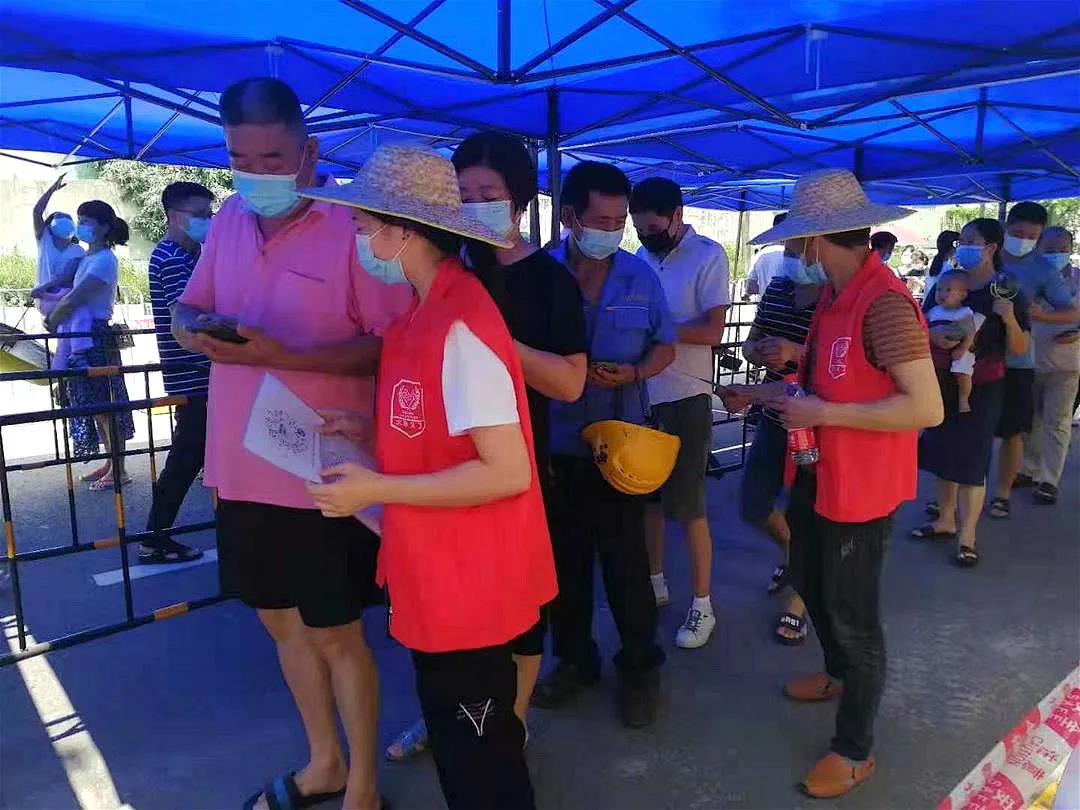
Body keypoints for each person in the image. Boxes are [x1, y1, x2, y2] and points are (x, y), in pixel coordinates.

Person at [171, 78, 409, 810]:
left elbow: (393, 348)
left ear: (310, 152)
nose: (256, 174)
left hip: (323, 472)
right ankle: (323, 761)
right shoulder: (229, 220)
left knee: (336, 632)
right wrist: (193, 330)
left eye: (272, 158)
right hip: (240, 465)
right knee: (278, 623)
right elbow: (191, 304)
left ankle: (363, 785)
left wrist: (284, 356)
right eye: (239, 159)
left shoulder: (357, 229)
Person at [300, 144, 557, 810]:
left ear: (402, 232)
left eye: (363, 226)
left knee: (482, 764)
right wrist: (365, 434)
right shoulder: (420, 314)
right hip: (436, 572)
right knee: (461, 746)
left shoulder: (460, 322)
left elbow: (506, 470)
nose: (357, 239)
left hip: (469, 582)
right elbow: (434, 430)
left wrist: (376, 489)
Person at [722, 168, 941, 798]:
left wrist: (826, 413)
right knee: (812, 586)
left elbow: (926, 408)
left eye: (795, 243)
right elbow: (813, 390)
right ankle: (838, 674)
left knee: (854, 618)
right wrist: (757, 395)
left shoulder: (885, 303)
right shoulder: (832, 297)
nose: (793, 254)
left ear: (815, 243)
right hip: (818, 476)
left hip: (861, 490)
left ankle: (854, 749)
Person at [383, 131, 587, 762]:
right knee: (451, 613)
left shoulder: (547, 281)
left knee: (518, 615)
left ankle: (509, 722)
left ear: (519, 200)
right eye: (463, 194)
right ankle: (457, 717)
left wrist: (491, 342)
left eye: (487, 193)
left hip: (526, 464)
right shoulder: (446, 269)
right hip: (449, 470)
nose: (473, 206)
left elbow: (571, 382)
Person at [531, 161, 674, 728]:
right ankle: (575, 661)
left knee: (627, 566)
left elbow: (664, 345)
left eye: (620, 221)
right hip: (555, 447)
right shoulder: (538, 274)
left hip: (619, 450)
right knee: (563, 569)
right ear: (570, 216)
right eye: (602, 220)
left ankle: (640, 668)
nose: (613, 231)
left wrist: (635, 372)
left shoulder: (640, 276)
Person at [629, 177, 728, 649]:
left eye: (654, 229)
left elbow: (712, 331)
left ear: (677, 216)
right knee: (646, 501)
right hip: (643, 394)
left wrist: (657, 328)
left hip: (687, 396)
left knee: (689, 506)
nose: (646, 237)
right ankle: (654, 580)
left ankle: (702, 604)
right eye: (638, 229)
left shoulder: (708, 255)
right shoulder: (639, 258)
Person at [915, 218, 1030, 567]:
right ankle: (945, 519)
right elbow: (920, 324)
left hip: (983, 384)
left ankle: (967, 537)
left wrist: (1008, 318)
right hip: (942, 381)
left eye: (970, 240)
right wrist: (933, 336)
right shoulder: (946, 284)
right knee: (942, 451)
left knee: (973, 457)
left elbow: (1021, 348)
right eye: (961, 240)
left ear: (991, 248)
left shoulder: (1005, 290)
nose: (962, 246)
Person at [734, 232, 821, 645]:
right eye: (787, 251)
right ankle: (794, 556)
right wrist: (760, 351)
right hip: (774, 411)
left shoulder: (838, 296)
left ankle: (799, 602)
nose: (791, 258)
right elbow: (750, 343)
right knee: (753, 503)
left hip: (818, 420)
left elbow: (840, 360)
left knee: (810, 511)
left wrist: (794, 351)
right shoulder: (780, 287)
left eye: (798, 251)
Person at [37, 200, 135, 490]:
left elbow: (77, 296)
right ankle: (111, 462)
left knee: (106, 403)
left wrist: (53, 318)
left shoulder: (104, 260)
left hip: (94, 336)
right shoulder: (86, 257)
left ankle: (119, 469)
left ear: (104, 227)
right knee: (95, 405)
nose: (80, 227)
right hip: (81, 333)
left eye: (86, 222)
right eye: (79, 220)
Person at [140, 182, 214, 564]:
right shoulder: (171, 258)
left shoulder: (190, 254)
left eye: (209, 214)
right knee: (186, 458)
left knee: (196, 455)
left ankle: (157, 535)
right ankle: (154, 537)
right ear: (173, 216)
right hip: (193, 373)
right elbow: (187, 320)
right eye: (199, 215)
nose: (207, 221)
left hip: (200, 372)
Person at [990, 202, 1077, 518]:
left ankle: (1022, 487)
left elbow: (1070, 311)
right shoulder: (989, 255)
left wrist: (1042, 315)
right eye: (1018, 233)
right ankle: (955, 492)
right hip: (981, 358)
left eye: (1031, 236)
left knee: (1025, 427)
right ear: (1006, 228)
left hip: (1025, 359)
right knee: (976, 427)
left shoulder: (1043, 270)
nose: (1023, 240)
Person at [1019, 226, 1079, 505]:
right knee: (1030, 419)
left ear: (1071, 249)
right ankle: (1028, 468)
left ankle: (1049, 480)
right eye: (1050, 249)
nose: (1056, 254)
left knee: (1058, 421)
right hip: (1028, 360)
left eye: (1062, 248)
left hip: (1066, 364)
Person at [925, 270, 982, 413]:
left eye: (948, 290)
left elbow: (970, 332)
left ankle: (963, 398)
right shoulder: (934, 311)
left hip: (960, 350)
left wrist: (962, 349)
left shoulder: (964, 312)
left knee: (962, 371)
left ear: (963, 294)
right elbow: (922, 323)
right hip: (937, 354)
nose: (942, 293)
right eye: (939, 289)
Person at [32, 174, 84, 289]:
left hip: (67, 297)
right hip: (44, 296)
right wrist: (52, 189)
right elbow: (37, 211)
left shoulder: (78, 251)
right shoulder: (45, 239)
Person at [746, 213, 787, 297]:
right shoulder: (791, 255)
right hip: (787, 303)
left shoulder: (760, 254)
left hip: (764, 303)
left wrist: (764, 289)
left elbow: (750, 287)